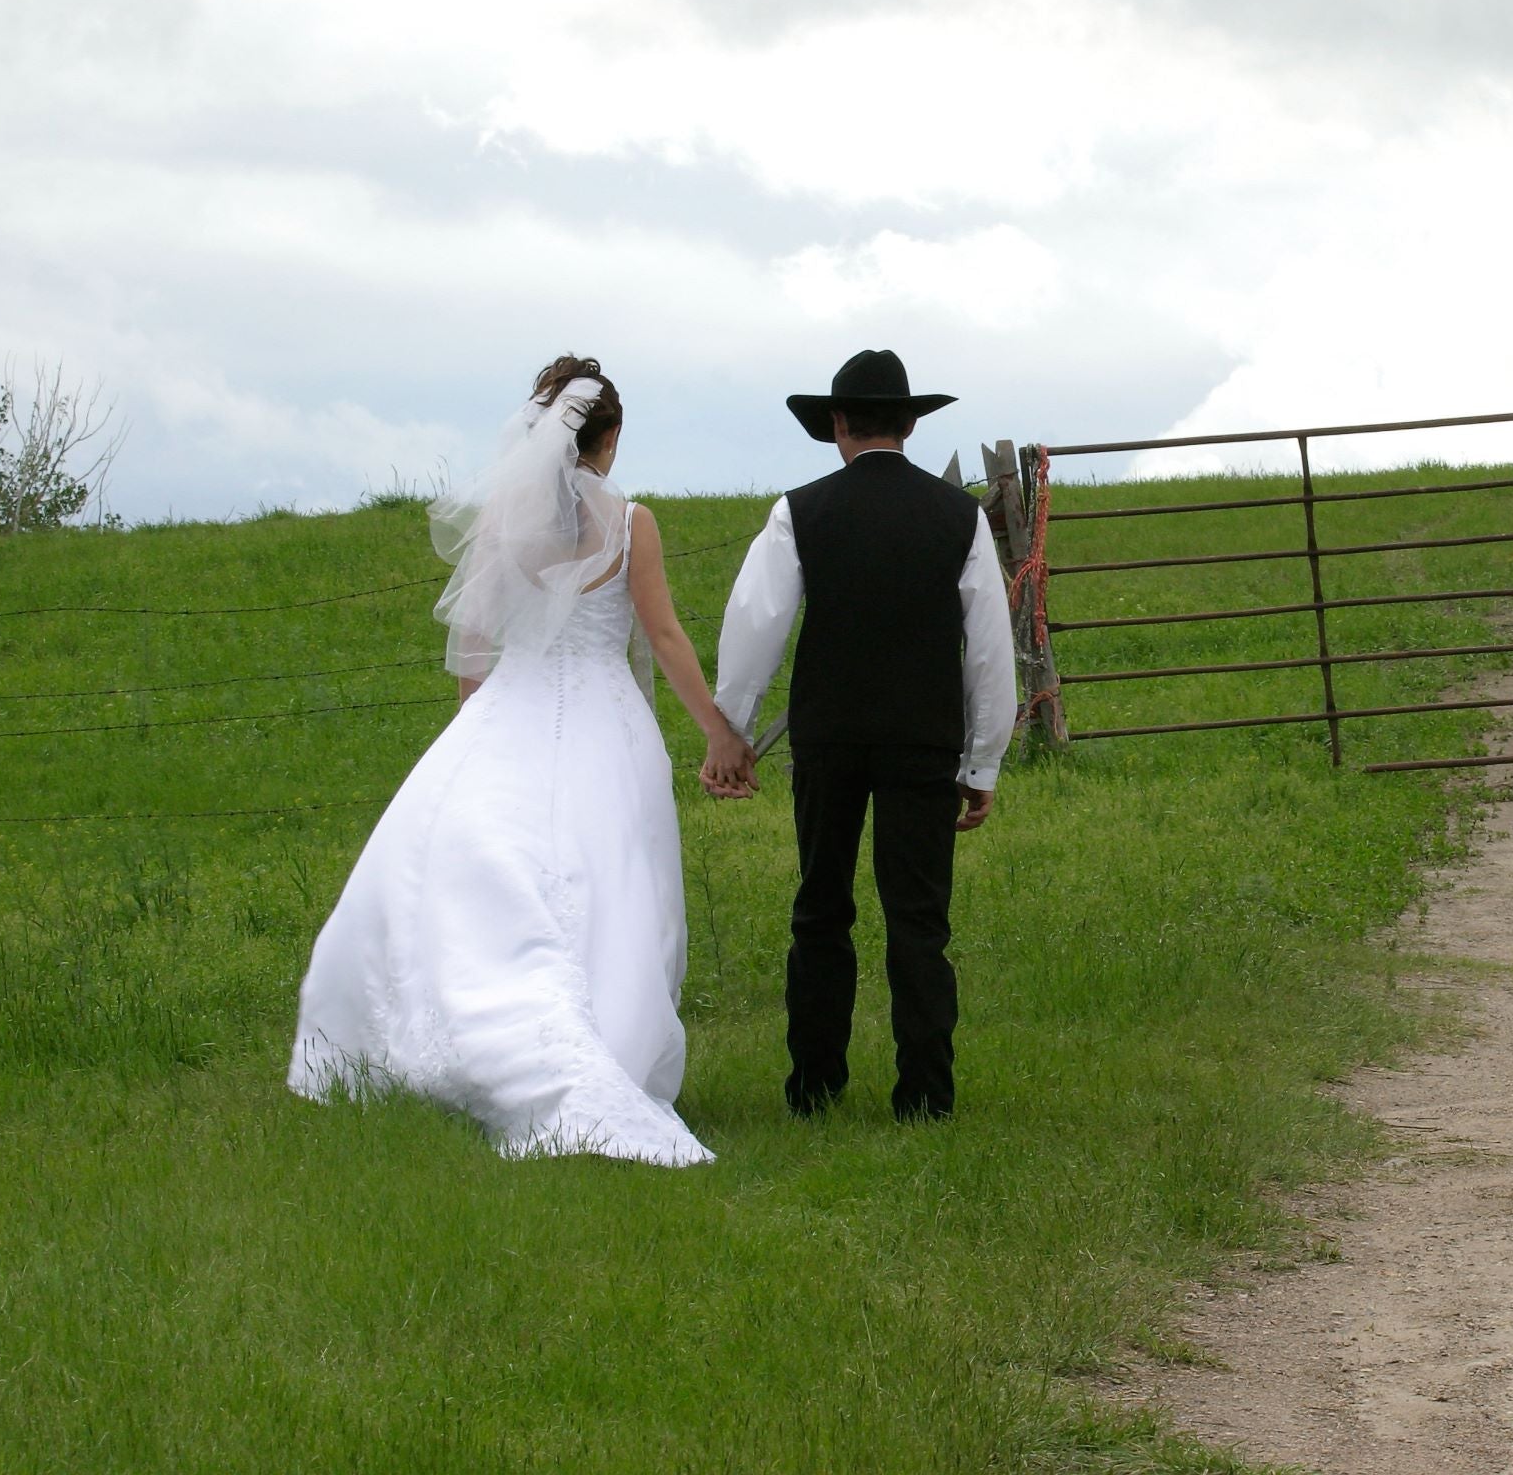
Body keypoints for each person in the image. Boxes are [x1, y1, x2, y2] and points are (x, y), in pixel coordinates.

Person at [287, 355, 755, 1166]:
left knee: (483, 869)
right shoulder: (631, 522)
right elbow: (666, 637)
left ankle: (461, 1039)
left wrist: (476, 728)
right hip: (608, 718)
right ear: (605, 442)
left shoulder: (504, 516)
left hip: (512, 704)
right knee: (610, 878)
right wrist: (718, 730)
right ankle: (607, 1045)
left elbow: (475, 640)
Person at [711, 348, 1018, 1121]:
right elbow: (988, 647)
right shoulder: (959, 518)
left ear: (837, 424)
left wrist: (733, 731)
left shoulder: (799, 512)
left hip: (829, 738)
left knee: (820, 909)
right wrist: (983, 762)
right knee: (919, 920)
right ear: (911, 423)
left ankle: (814, 1088)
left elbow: (756, 629)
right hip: (924, 741)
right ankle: (925, 1097)